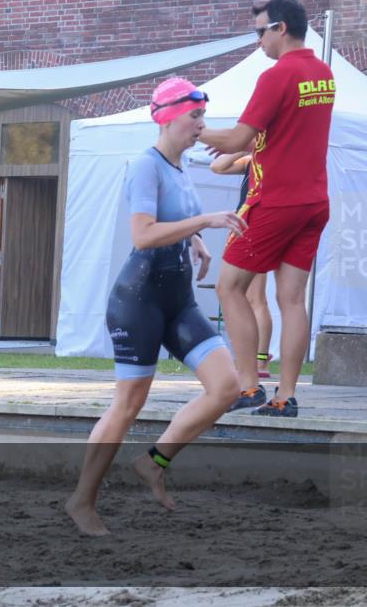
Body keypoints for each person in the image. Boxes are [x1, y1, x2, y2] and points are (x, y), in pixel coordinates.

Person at [65, 78, 247, 536]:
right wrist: (204, 220)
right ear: (167, 117)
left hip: (178, 299)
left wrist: (197, 240)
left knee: (227, 386)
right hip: (140, 299)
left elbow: (172, 219)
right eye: (194, 118)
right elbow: (143, 234)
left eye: (202, 118)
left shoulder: (180, 167)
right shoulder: (145, 166)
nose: (201, 127)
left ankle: (153, 462)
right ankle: (82, 500)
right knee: (128, 404)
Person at [200, 0, 334, 417]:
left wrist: (193, 129)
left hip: (276, 201)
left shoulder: (277, 76)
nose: (257, 41)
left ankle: (249, 386)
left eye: (260, 31)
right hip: (314, 200)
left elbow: (239, 138)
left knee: (229, 287)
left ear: (281, 28)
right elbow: (277, 135)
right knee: (292, 299)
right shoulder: (323, 73)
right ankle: (286, 395)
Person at [209, 146, 272, 380]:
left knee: (255, 297)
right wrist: (242, 148)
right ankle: (254, 359)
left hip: (254, 226)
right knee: (242, 296)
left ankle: (260, 361)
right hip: (242, 225)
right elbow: (217, 166)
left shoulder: (271, 160)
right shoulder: (249, 161)